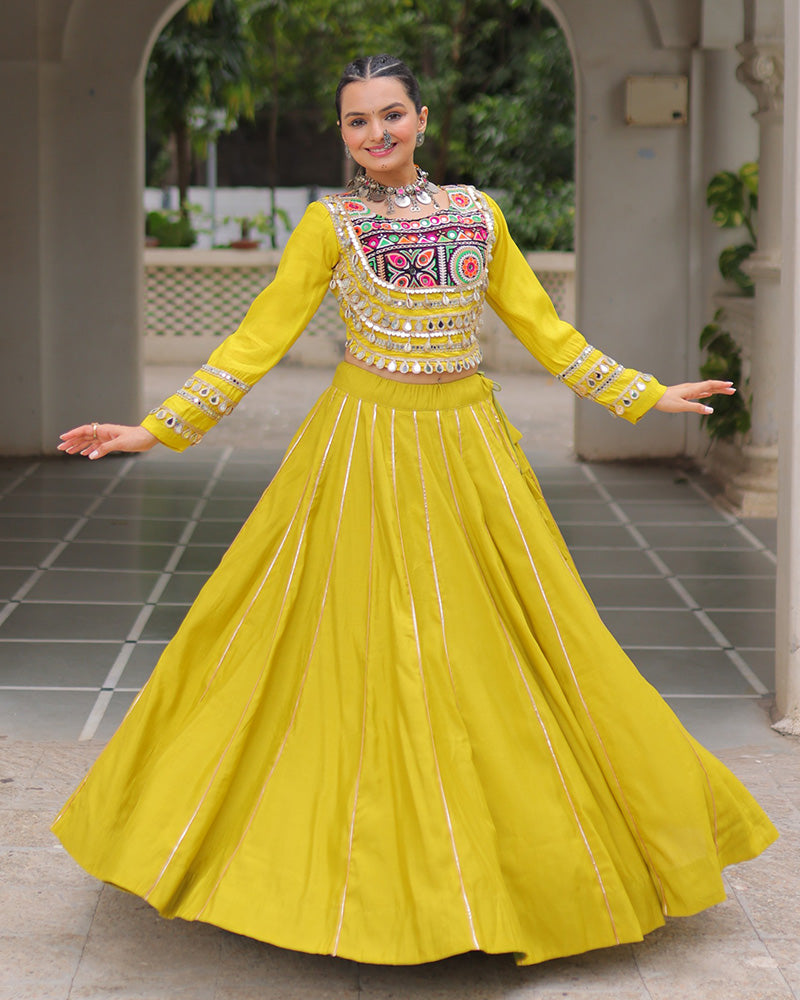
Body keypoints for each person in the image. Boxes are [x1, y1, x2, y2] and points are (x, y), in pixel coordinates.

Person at [52, 54, 777, 968]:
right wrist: (155, 429)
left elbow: (543, 328)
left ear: (423, 118)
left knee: (511, 639)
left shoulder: (479, 214)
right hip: (359, 445)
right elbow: (255, 340)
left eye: (391, 115)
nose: (377, 134)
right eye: (358, 122)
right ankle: (353, 876)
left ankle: (517, 864)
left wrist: (641, 394)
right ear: (344, 134)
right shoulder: (328, 226)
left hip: (467, 443)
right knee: (352, 646)